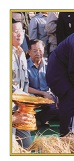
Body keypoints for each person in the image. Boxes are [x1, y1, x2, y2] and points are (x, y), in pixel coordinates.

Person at [27, 39, 59, 127]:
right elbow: (26, 87)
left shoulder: (49, 64)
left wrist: (57, 95)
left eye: (40, 50)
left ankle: (41, 118)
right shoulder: (25, 65)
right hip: (32, 95)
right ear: (29, 52)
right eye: (35, 51)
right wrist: (42, 93)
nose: (38, 53)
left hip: (47, 94)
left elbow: (54, 81)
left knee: (57, 105)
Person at [12, 19, 33, 149]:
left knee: (27, 145)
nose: (19, 34)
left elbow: (25, 82)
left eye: (21, 31)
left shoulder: (22, 54)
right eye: (15, 31)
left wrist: (27, 103)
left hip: (20, 108)